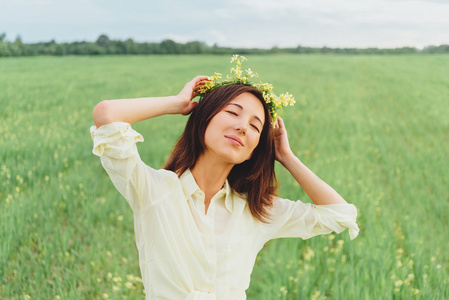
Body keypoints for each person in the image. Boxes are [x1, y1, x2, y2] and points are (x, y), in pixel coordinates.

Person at [90, 56, 359, 300]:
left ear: (255, 148)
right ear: (204, 117)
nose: (242, 126)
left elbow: (339, 214)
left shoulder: (255, 210)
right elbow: (107, 116)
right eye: (232, 112)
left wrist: (286, 156)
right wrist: (178, 103)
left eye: (255, 126)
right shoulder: (154, 191)